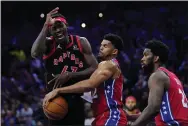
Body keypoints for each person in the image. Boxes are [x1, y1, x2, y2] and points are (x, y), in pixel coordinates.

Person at [31, 7, 98, 125]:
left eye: (60, 26)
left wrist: (70, 75)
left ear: (66, 25)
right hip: (55, 98)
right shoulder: (48, 43)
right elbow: (35, 53)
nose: (57, 30)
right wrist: (46, 25)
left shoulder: (80, 42)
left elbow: (94, 68)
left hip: (76, 97)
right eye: (53, 28)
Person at [43, 33, 128, 126]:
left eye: (105, 46)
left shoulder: (108, 64)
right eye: (101, 45)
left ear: (114, 51)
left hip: (111, 117)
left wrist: (58, 90)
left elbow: (89, 84)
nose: (101, 48)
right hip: (103, 116)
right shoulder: (108, 67)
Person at [131, 40, 188, 126]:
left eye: (146, 55)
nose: (142, 59)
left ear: (156, 58)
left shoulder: (157, 76)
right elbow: (161, 113)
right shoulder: (171, 76)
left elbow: (153, 108)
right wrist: (130, 116)